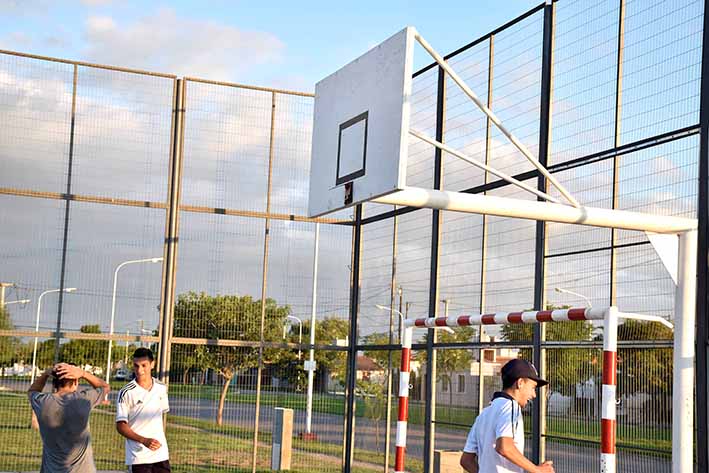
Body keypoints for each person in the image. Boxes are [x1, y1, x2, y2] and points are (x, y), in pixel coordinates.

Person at [460, 359, 555, 473]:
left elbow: (466, 460)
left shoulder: (485, 413)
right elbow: (504, 447)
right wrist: (537, 470)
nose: (534, 394)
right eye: (533, 387)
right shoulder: (511, 406)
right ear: (520, 383)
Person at [28, 362, 110, 473]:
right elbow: (105, 387)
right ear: (76, 381)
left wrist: (45, 374)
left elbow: (32, 391)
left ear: (54, 382)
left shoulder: (42, 402)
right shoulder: (84, 400)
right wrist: (83, 373)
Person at [116, 347, 170, 473]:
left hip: (160, 455)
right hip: (138, 457)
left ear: (152, 364)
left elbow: (160, 417)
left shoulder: (161, 388)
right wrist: (144, 441)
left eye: (144, 365)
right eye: (136, 366)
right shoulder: (126, 392)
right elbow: (121, 426)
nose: (140, 370)